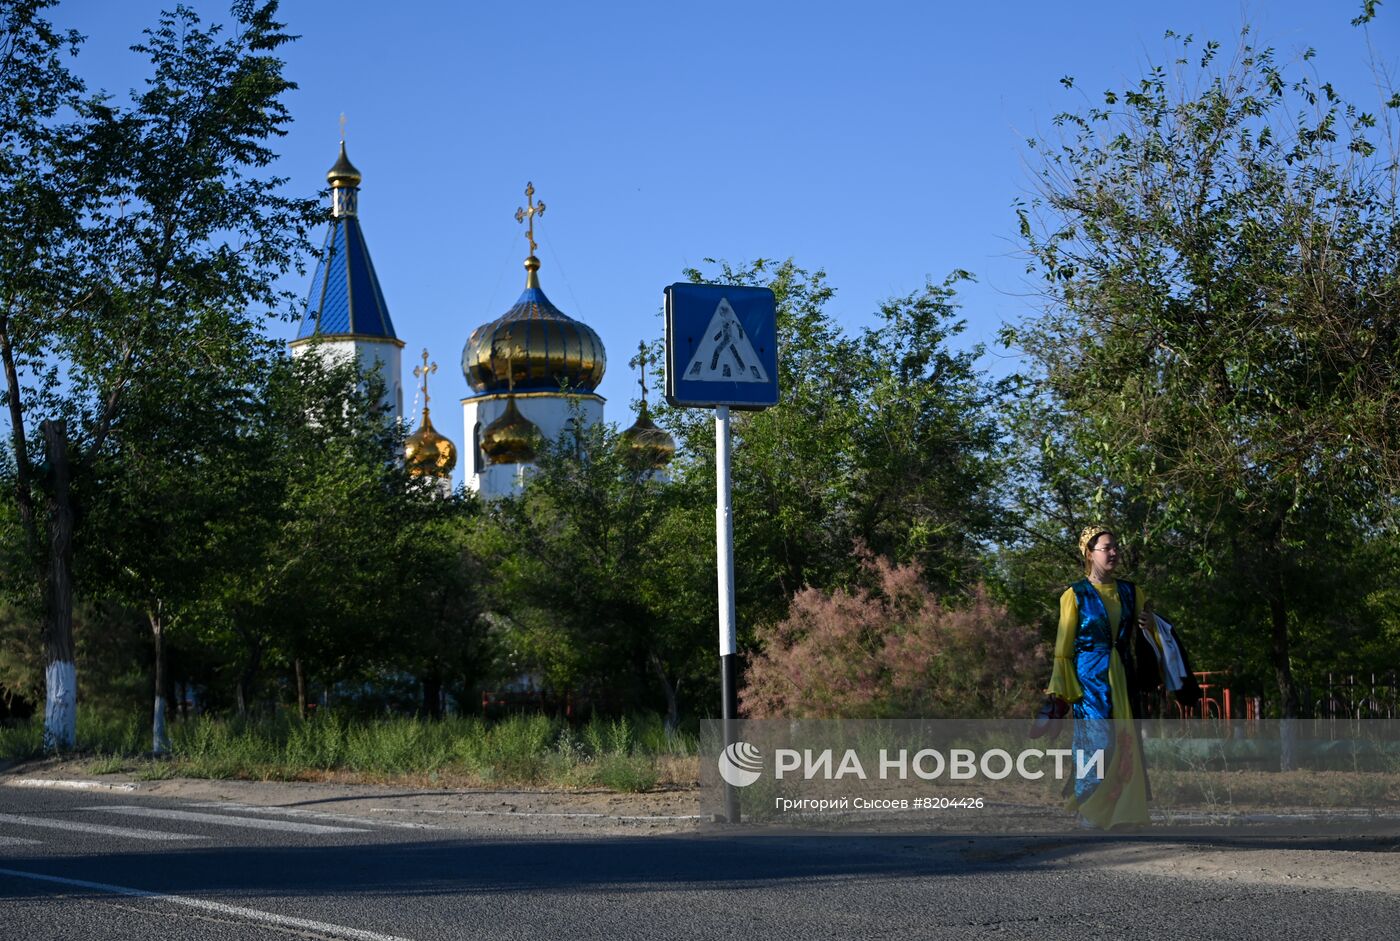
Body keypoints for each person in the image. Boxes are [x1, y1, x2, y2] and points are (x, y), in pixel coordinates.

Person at [1045, 525, 1155, 829]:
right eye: (1106, 547)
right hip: (1089, 679)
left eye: (1115, 546)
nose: (1114, 552)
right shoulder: (1074, 594)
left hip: (1122, 673)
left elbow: (1151, 632)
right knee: (1098, 741)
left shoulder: (1132, 591)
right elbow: (1063, 648)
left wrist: (1149, 623)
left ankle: (1122, 813)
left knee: (1125, 742)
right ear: (1089, 554)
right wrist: (1060, 692)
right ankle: (1090, 810)